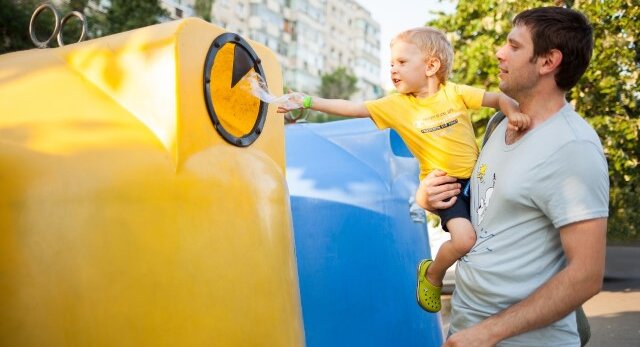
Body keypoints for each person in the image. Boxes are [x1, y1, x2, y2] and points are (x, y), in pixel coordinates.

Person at [277, 26, 530, 313]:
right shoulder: (395, 105)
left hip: (479, 181)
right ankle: (433, 274)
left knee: (491, 238)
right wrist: (308, 101)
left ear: (431, 65)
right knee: (464, 240)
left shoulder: (454, 94)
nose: (393, 70)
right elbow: (352, 107)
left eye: (401, 62)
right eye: (391, 64)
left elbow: (497, 99)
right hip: (445, 189)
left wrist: (513, 112)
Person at [416, 6, 609, 346]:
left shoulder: (572, 147)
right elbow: (485, 213)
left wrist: (488, 333)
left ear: (548, 62)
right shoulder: (498, 123)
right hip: (466, 328)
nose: (499, 52)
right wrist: (430, 200)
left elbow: (586, 276)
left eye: (514, 46)